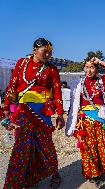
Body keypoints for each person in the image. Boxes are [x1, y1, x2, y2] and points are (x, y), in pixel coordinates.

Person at [3, 38, 65, 189]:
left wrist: (60, 115)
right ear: (34, 50)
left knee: (46, 146)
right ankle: (22, 181)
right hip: (23, 112)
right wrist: (6, 108)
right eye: (45, 52)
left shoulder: (51, 69)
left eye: (50, 52)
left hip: (42, 113)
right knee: (22, 148)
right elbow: (12, 85)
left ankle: (55, 174)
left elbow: (57, 92)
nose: (48, 55)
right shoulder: (22, 63)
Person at [65, 56, 105, 188]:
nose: (89, 70)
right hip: (85, 120)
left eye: (92, 67)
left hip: (100, 119)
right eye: (87, 67)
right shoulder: (79, 83)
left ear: (96, 69)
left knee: (102, 146)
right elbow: (74, 104)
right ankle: (95, 175)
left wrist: (100, 62)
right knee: (89, 149)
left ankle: (101, 170)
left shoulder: (102, 81)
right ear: (84, 68)